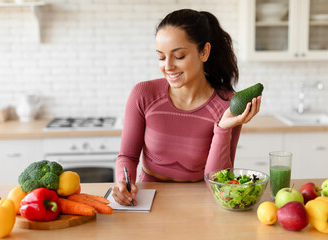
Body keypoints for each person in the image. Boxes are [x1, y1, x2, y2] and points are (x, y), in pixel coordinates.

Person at [112, 9, 261, 206]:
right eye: (161, 57)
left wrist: (223, 128)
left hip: (201, 202)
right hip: (147, 200)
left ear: (204, 52)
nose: (168, 66)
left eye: (179, 56)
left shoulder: (228, 105)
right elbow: (128, 156)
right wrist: (124, 183)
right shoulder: (143, 94)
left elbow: (217, 183)